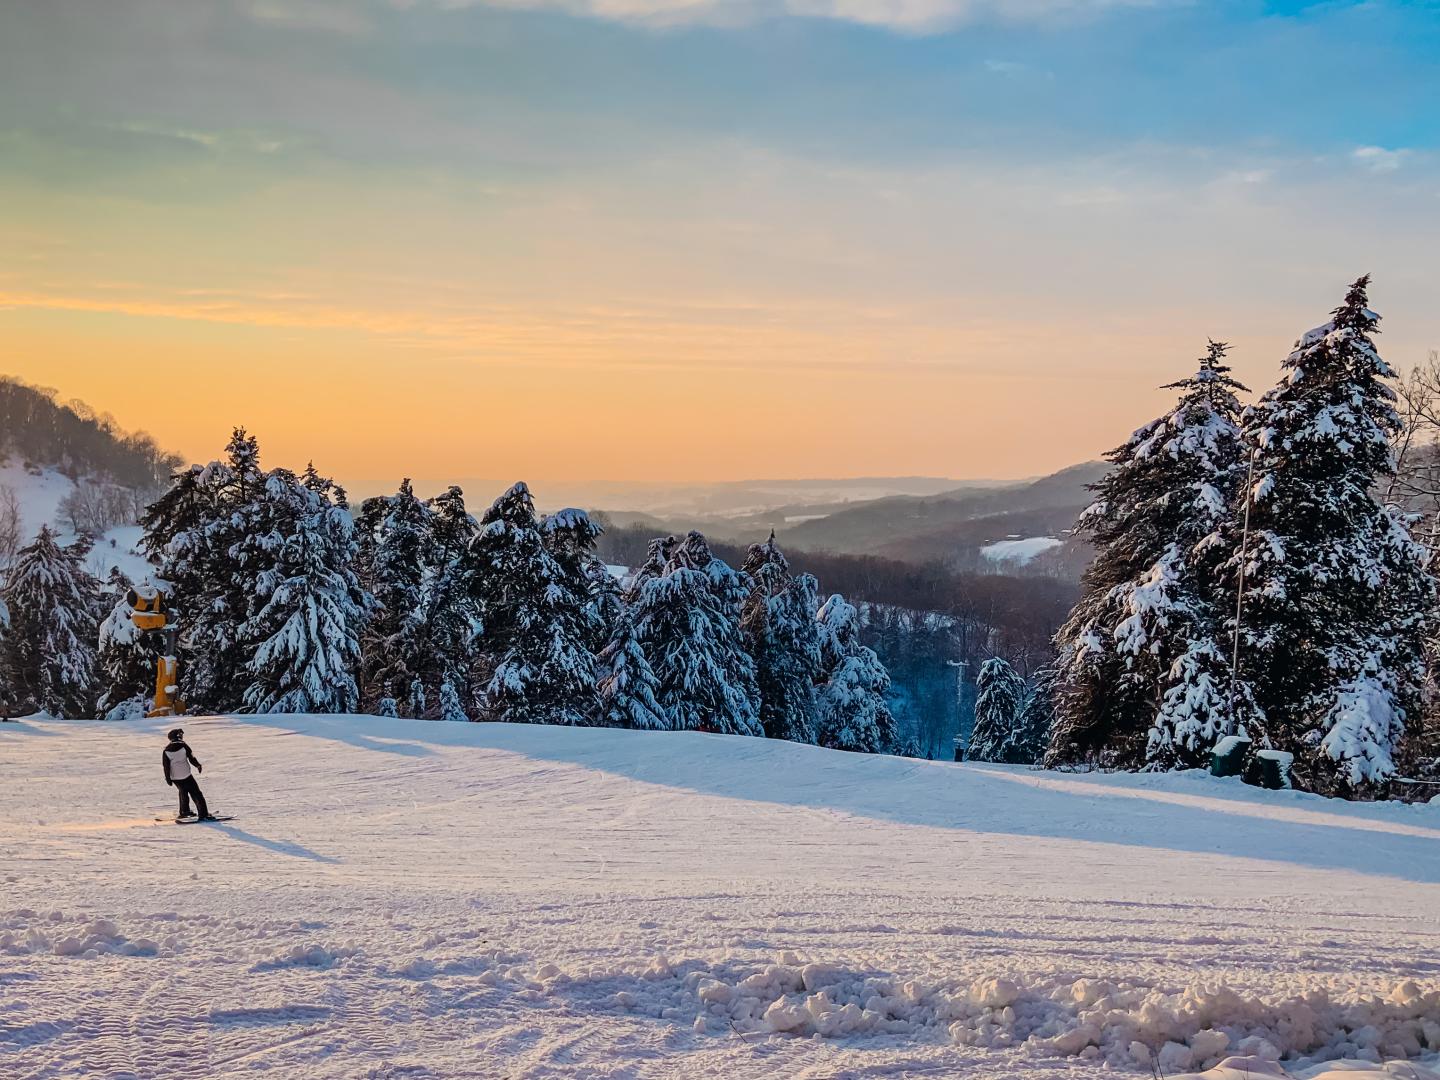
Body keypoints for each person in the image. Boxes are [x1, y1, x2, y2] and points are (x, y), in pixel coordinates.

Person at [162, 728, 215, 821]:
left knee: (183, 791)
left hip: (175, 777)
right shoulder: (183, 745)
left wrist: (168, 779)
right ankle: (203, 814)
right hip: (186, 774)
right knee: (196, 793)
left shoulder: (166, 750)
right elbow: (191, 757)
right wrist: (197, 765)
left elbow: (166, 766)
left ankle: (184, 811)